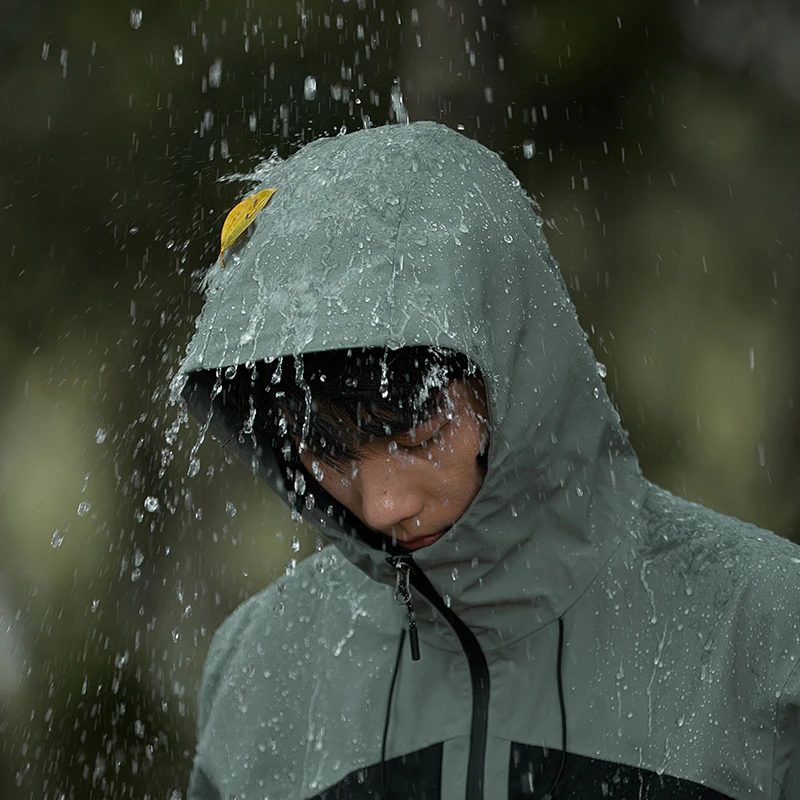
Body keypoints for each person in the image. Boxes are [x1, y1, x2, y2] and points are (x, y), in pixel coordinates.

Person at [178, 121, 800, 799]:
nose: (384, 503)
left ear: (516, 370)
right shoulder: (261, 669)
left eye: (420, 435)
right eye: (328, 448)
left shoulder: (766, 630)